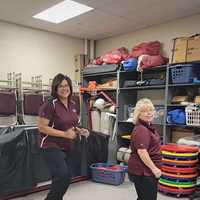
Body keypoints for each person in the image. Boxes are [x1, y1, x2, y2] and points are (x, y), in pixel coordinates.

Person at [37, 73, 89, 200]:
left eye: (67, 85)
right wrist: (64, 134)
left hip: (66, 145)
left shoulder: (72, 104)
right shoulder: (50, 104)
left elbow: (72, 124)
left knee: (63, 179)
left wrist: (80, 130)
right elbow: (42, 127)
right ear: (55, 88)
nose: (64, 88)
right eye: (61, 86)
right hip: (50, 145)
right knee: (63, 176)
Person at [128, 98, 162, 200]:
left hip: (146, 170)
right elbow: (142, 152)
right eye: (144, 111)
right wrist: (154, 168)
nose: (149, 113)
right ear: (138, 114)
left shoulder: (148, 126)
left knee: (143, 197)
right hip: (143, 171)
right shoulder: (141, 129)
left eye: (150, 110)